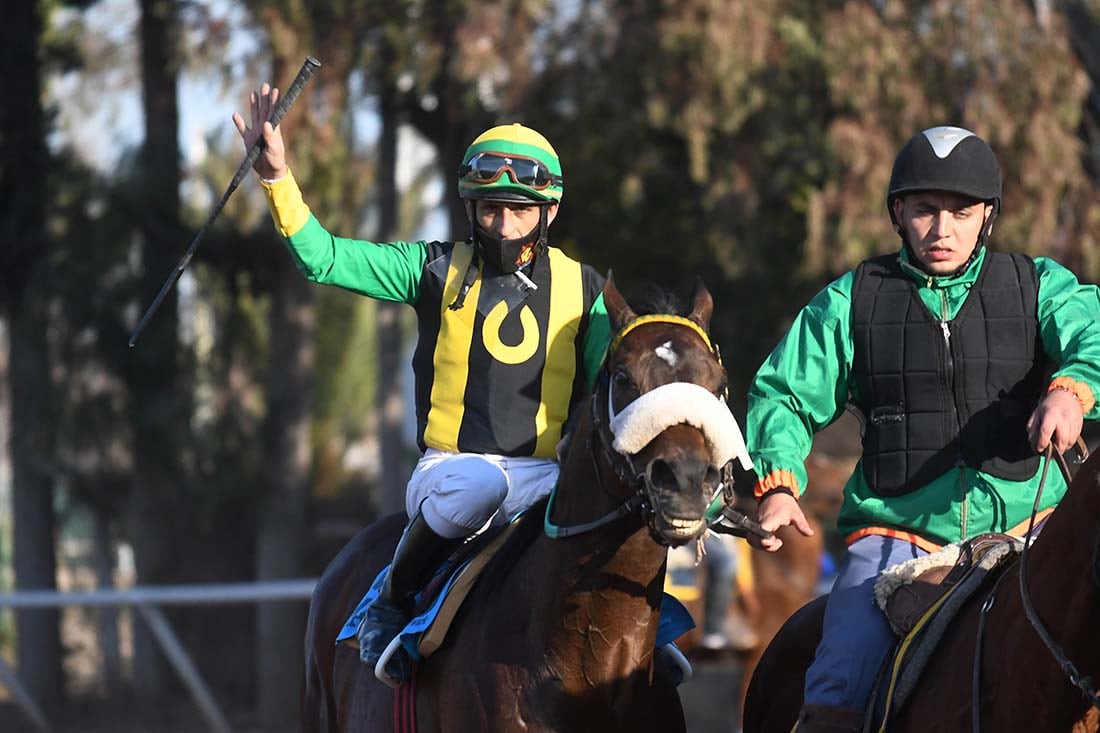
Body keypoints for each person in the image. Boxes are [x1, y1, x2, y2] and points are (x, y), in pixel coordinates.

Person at [234, 85, 610, 676]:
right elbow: (323, 257)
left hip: (545, 478)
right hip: (450, 473)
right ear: (470, 209)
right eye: (490, 209)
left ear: (550, 211)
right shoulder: (430, 268)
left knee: (606, 508)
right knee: (479, 485)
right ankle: (390, 600)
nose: (505, 226)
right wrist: (278, 179)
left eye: (519, 209)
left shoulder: (586, 289)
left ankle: (648, 638)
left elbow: (616, 381)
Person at [744, 125, 1100, 732]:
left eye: (961, 213)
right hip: (897, 538)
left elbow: (1091, 335)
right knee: (837, 688)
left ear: (987, 216)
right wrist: (777, 484)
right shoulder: (848, 301)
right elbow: (782, 395)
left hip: (1034, 527)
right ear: (898, 213)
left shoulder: (1041, 285)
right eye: (925, 211)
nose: (942, 231)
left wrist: (1072, 389)